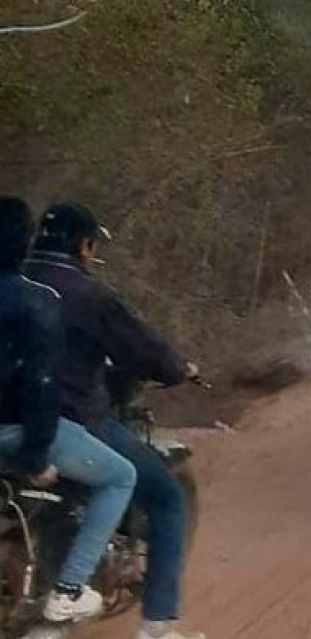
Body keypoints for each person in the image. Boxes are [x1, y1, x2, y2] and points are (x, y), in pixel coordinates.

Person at [23, 203, 204, 639]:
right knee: (165, 497)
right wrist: (180, 368)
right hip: (71, 421)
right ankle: (157, 625)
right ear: (84, 246)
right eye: (92, 245)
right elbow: (141, 348)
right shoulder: (87, 295)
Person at [0, 196, 137, 623]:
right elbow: (41, 387)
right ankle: (68, 590)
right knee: (121, 476)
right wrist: (37, 458)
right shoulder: (35, 301)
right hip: (13, 432)